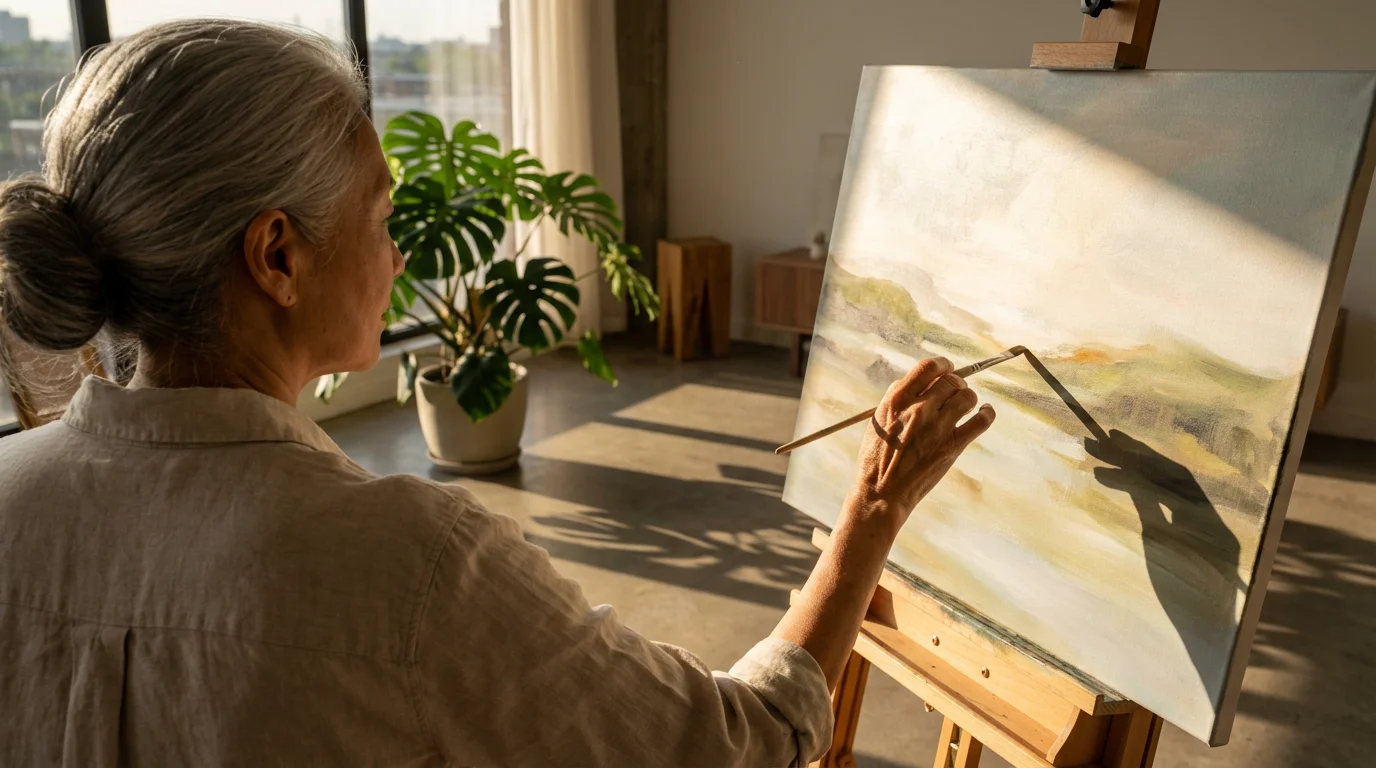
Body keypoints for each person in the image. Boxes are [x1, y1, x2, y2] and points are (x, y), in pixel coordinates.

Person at [0, 19, 995, 768]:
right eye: (380, 214)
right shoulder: (407, 567)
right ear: (276, 254)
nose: (397, 254)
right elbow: (733, 745)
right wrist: (870, 510)